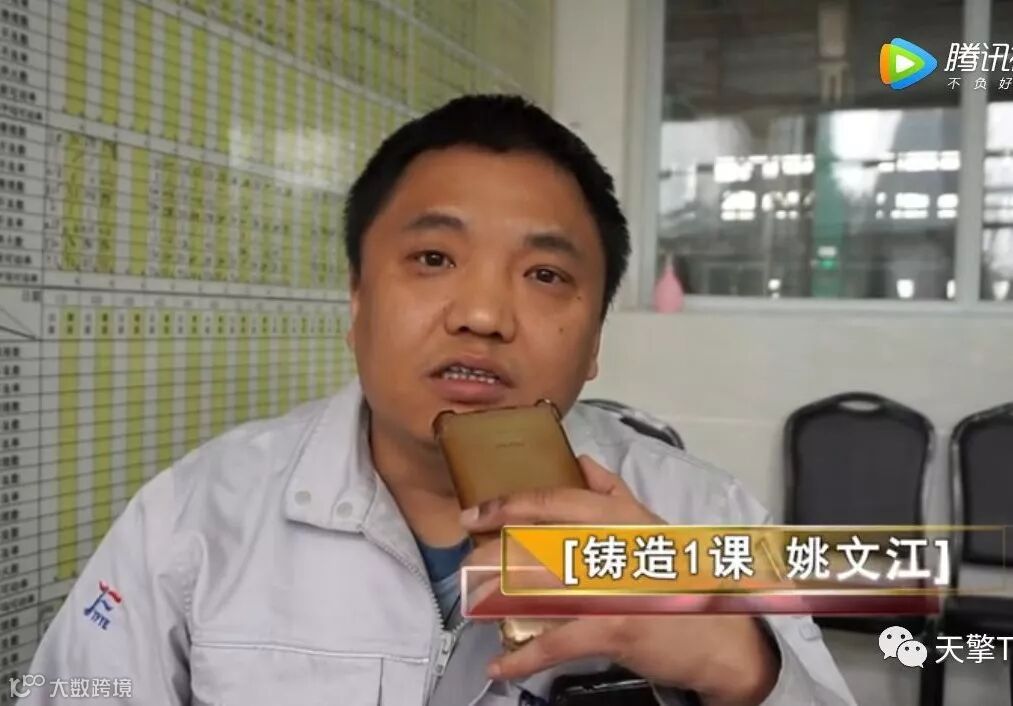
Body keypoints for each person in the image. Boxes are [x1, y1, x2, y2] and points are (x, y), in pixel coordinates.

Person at [23, 94, 856, 706]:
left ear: (595, 339)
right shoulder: (193, 519)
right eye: (431, 259)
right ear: (357, 299)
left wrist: (742, 667)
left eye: (545, 274)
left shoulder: (705, 517)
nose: (483, 315)